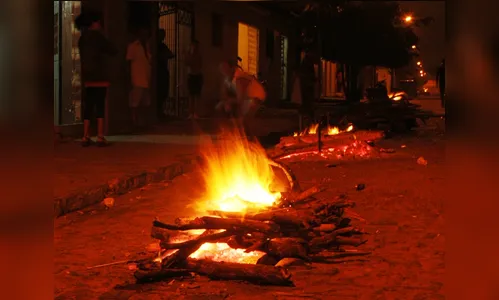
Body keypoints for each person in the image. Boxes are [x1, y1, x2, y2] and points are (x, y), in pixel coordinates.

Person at [75, 10, 117, 147]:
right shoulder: (98, 37)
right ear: (95, 22)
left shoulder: (82, 39)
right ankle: (100, 136)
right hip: (100, 75)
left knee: (88, 106)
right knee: (100, 106)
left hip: (88, 77)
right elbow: (113, 50)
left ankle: (85, 136)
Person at [217, 60, 266, 137]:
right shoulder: (227, 79)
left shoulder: (240, 78)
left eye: (225, 68)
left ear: (232, 68)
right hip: (245, 98)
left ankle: (248, 137)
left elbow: (240, 99)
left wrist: (228, 102)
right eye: (222, 69)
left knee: (245, 118)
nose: (223, 71)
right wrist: (225, 102)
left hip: (255, 97)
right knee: (220, 107)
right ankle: (229, 131)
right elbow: (223, 95)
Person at [126, 27, 151, 130]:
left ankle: (142, 123)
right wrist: (129, 79)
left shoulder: (147, 46)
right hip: (137, 79)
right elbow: (128, 62)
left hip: (145, 79)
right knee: (135, 103)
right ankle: (134, 123)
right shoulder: (133, 46)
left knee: (145, 103)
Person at [297, 49, 319, 125]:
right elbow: (306, 74)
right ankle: (309, 117)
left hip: (308, 84)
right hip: (307, 84)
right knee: (308, 101)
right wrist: (311, 79)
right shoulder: (307, 62)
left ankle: (309, 117)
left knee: (308, 101)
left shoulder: (308, 62)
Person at [157, 29, 174, 120]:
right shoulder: (157, 46)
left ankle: (161, 111)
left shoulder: (163, 46)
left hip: (163, 71)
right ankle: (158, 112)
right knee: (159, 92)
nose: (163, 37)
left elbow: (171, 54)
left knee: (164, 92)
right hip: (158, 72)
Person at [185, 40, 203, 119]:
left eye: (196, 46)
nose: (194, 48)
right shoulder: (189, 55)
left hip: (197, 75)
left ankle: (196, 113)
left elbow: (198, 64)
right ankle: (191, 113)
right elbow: (187, 63)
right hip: (191, 76)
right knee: (191, 95)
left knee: (197, 95)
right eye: (193, 46)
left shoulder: (198, 55)